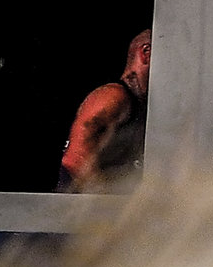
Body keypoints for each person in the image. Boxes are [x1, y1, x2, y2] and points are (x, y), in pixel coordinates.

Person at [60, 29, 150, 190]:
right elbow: (75, 159)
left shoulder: (144, 109)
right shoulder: (113, 96)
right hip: (80, 203)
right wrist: (108, 202)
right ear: (146, 53)